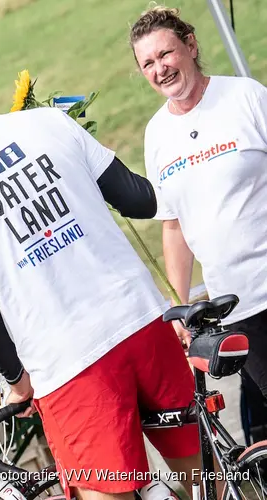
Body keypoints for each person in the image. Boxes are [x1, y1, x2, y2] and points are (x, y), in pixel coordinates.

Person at [0, 45, 201, 500]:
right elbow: (140, 200)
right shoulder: (47, 122)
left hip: (71, 364)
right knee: (202, 481)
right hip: (145, 324)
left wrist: (16, 379)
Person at [130, 5, 267, 399]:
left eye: (166, 54)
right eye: (148, 63)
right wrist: (180, 308)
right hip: (237, 309)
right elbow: (173, 225)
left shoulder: (245, 97)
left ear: (190, 45)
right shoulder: (157, 134)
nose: (160, 69)